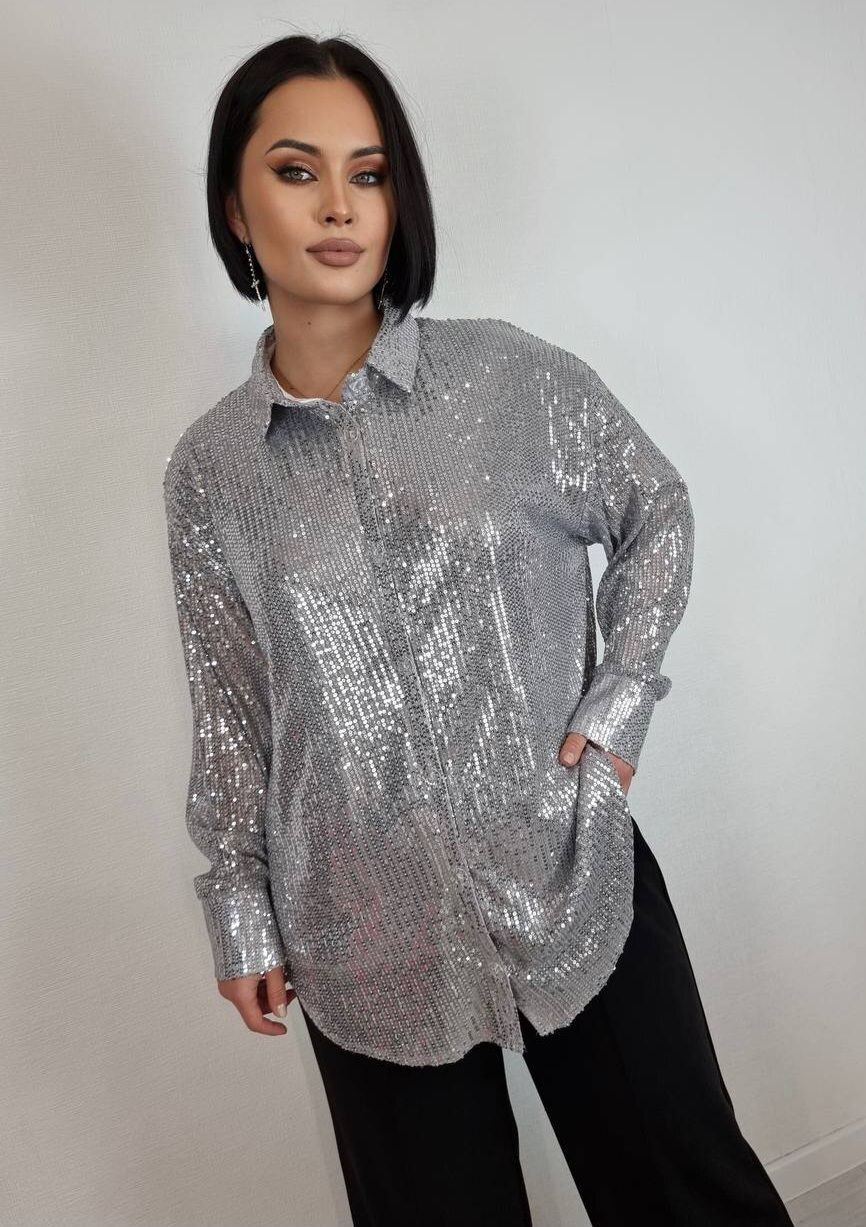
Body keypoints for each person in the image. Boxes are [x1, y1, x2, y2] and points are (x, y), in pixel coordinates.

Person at [162, 33, 795, 1227]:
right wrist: (237, 902)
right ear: (235, 210)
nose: (339, 206)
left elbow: (654, 508)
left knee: (687, 1195)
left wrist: (617, 705)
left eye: (369, 172)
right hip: (356, 925)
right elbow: (233, 700)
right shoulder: (210, 471)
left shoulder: (512, 381)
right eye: (296, 171)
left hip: (570, 867)